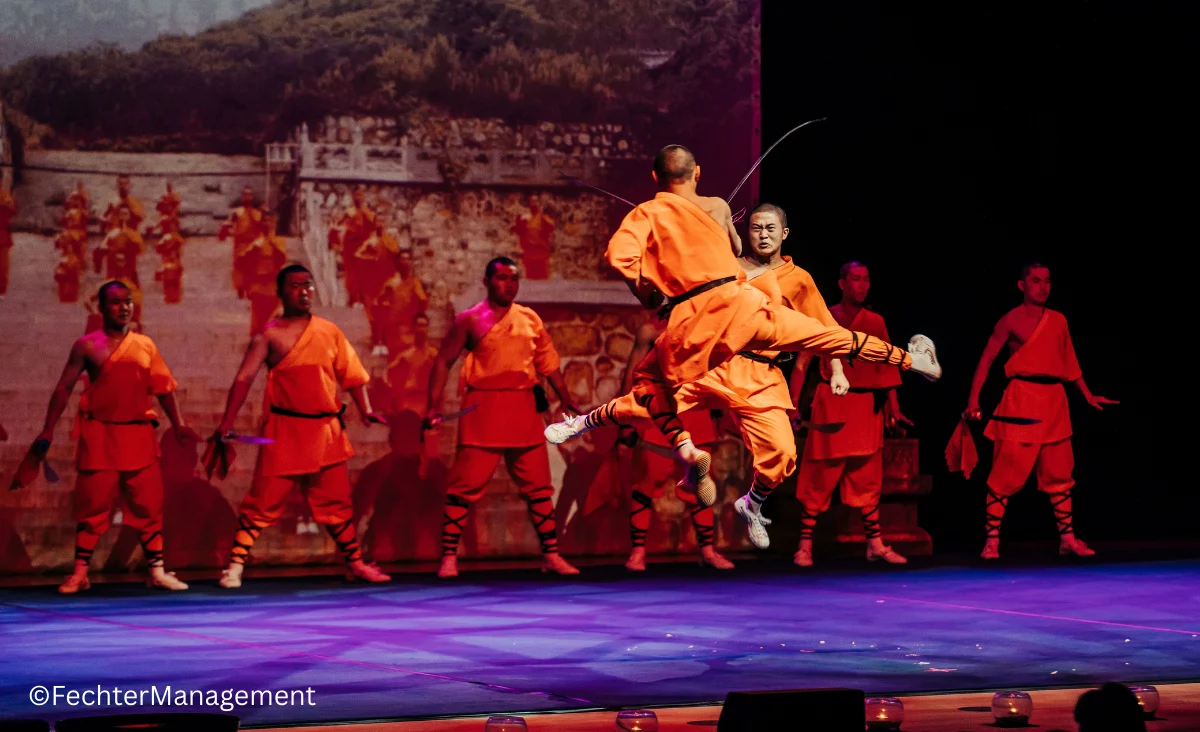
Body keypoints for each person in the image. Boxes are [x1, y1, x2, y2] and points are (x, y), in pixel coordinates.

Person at [548, 146, 940, 507]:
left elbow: (619, 256)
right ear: (697, 173)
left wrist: (645, 287)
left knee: (648, 389)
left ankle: (665, 445)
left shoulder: (648, 213)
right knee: (832, 335)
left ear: (655, 179)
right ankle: (912, 360)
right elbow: (734, 249)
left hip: (698, 320)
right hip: (744, 308)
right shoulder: (717, 206)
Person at [213, 264, 391, 588]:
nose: (304, 291)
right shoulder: (268, 335)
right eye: (295, 286)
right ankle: (235, 565)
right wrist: (226, 422)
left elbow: (351, 372)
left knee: (336, 503)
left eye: (308, 284)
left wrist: (365, 410)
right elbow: (243, 378)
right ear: (281, 292)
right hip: (285, 432)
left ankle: (355, 563)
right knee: (262, 502)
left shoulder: (329, 330)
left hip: (325, 432)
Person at [22, 280, 199, 593]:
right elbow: (63, 388)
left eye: (127, 301)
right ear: (101, 308)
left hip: (138, 435)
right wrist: (47, 428)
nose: (123, 307)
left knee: (148, 505)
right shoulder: (87, 345)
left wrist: (179, 423)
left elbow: (164, 389)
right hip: (101, 436)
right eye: (116, 302)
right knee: (93, 505)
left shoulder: (145, 345)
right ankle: (80, 573)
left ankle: (157, 570)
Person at [426, 257, 581, 578]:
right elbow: (443, 361)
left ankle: (551, 554)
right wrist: (433, 405)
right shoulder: (470, 320)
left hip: (523, 406)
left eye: (514, 278)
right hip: (484, 408)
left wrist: (565, 396)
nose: (509, 284)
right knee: (464, 486)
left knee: (540, 486)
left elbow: (548, 362)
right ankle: (449, 557)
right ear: (486, 281)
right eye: (501, 278)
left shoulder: (529, 318)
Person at [965, 263, 1117, 559]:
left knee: (1060, 472)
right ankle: (992, 539)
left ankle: (1067, 539)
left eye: (1047, 281)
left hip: (1054, 402)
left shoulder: (1058, 321)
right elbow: (986, 360)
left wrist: (1086, 394)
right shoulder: (1010, 320)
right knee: (1005, 472)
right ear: (1022, 285)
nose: (1043, 286)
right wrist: (973, 400)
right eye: (1036, 281)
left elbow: (1069, 361)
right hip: (1021, 399)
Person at [794, 261, 911, 567]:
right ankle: (804, 545)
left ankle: (874, 544)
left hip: (864, 408)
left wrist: (894, 407)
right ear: (842, 283)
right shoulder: (824, 316)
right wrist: (793, 404)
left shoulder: (875, 321)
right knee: (821, 474)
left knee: (867, 477)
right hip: (832, 403)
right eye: (856, 279)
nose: (862, 285)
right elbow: (802, 364)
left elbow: (886, 366)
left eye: (866, 280)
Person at [617, 319, 734, 571]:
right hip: (659, 409)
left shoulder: (705, 323)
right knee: (646, 482)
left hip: (695, 409)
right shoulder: (651, 329)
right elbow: (633, 372)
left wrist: (721, 411)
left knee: (700, 480)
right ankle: (637, 552)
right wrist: (626, 417)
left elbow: (717, 370)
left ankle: (707, 550)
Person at [241, 210, 287, 335]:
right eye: (265, 220)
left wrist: (271, 241)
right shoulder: (256, 243)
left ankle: (270, 339)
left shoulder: (279, 241)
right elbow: (246, 264)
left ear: (275, 222)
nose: (267, 223)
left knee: (273, 318)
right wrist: (246, 285)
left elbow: (282, 259)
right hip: (259, 285)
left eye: (270, 220)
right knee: (257, 320)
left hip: (273, 285)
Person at [218, 187, 263, 299]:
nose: (247, 197)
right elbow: (228, 223)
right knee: (239, 267)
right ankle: (240, 287)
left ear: (252, 197)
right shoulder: (237, 212)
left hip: (253, 243)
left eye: (249, 195)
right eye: (245, 195)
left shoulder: (257, 213)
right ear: (242, 196)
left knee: (252, 267)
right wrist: (223, 232)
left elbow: (264, 227)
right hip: (240, 244)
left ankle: (250, 288)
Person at [0, 183, 16, 295]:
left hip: (2, 233)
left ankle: (1, 289)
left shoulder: (5, 196)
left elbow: (10, 210)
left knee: (2, 264)